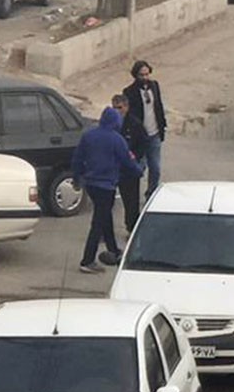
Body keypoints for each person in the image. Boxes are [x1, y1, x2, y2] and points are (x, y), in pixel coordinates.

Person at [70, 106, 142, 274]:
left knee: (105, 217)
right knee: (98, 224)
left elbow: (77, 158)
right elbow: (127, 162)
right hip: (107, 185)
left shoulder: (89, 135)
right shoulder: (117, 139)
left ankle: (114, 251)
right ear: (116, 122)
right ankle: (87, 260)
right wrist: (138, 171)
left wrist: (76, 178)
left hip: (91, 185)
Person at [122, 60, 167, 194]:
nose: (145, 78)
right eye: (142, 75)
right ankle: (131, 193)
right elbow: (128, 115)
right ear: (136, 75)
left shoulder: (154, 86)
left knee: (156, 169)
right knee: (139, 167)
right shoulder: (129, 91)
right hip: (140, 136)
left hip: (154, 134)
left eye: (147, 74)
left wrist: (162, 126)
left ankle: (151, 194)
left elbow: (159, 107)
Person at [110, 92, 142, 232]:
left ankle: (132, 229)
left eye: (120, 107)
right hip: (112, 168)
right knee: (106, 203)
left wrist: (135, 156)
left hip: (128, 168)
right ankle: (104, 231)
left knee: (131, 203)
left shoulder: (135, 124)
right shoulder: (109, 123)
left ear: (127, 107)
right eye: (114, 108)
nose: (117, 111)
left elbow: (144, 143)